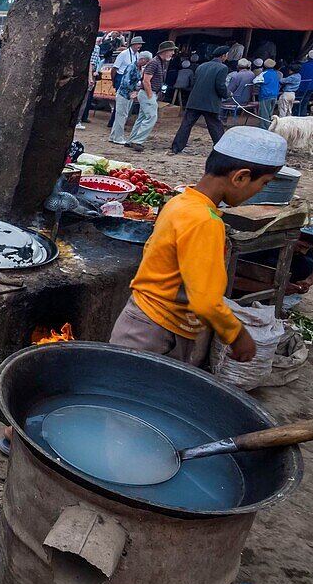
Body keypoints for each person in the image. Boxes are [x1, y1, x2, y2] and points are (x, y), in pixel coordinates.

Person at [110, 126, 287, 366]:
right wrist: (237, 335)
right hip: (156, 332)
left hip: (143, 321)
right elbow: (205, 301)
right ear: (241, 177)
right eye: (264, 183)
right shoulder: (206, 222)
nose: (260, 191)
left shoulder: (181, 201)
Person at [170, 46, 230, 155]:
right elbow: (220, 86)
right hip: (210, 102)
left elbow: (194, 82)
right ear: (223, 56)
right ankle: (222, 148)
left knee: (186, 124)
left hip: (195, 100)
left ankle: (176, 147)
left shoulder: (201, 66)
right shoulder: (222, 68)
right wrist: (227, 94)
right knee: (215, 126)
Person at [126, 40, 177, 152]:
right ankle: (138, 141)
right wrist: (150, 95)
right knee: (151, 117)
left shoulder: (159, 62)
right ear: (165, 51)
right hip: (148, 93)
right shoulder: (155, 63)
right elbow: (146, 80)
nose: (172, 53)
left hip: (148, 93)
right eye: (171, 51)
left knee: (142, 117)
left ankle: (132, 139)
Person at [110, 51, 151, 144]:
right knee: (122, 116)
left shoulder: (138, 67)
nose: (147, 63)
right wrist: (132, 91)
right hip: (124, 94)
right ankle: (118, 138)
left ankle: (113, 136)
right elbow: (125, 81)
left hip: (129, 94)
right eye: (147, 61)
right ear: (142, 59)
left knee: (121, 115)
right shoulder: (131, 66)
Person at [108, 35, 144, 127]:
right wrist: (114, 81)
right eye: (138, 44)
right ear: (133, 44)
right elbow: (114, 69)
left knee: (127, 102)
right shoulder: (123, 54)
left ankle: (119, 122)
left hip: (131, 79)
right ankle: (113, 123)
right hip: (121, 77)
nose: (140, 46)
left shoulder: (138, 55)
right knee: (120, 102)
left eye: (140, 44)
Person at [77, 40, 102, 129]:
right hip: (86, 77)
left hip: (86, 76)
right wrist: (90, 78)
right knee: (83, 99)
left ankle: (78, 120)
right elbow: (91, 64)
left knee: (84, 99)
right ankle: (77, 120)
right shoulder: (95, 49)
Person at [257, 59, 281, 129]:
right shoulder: (276, 73)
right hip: (275, 95)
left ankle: (264, 128)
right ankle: (271, 126)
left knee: (264, 113)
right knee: (270, 113)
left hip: (265, 95)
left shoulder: (264, 73)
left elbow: (255, 81)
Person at [299, 49, 313, 116]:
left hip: (303, 87)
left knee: (301, 102)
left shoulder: (304, 66)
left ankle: (300, 115)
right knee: (305, 101)